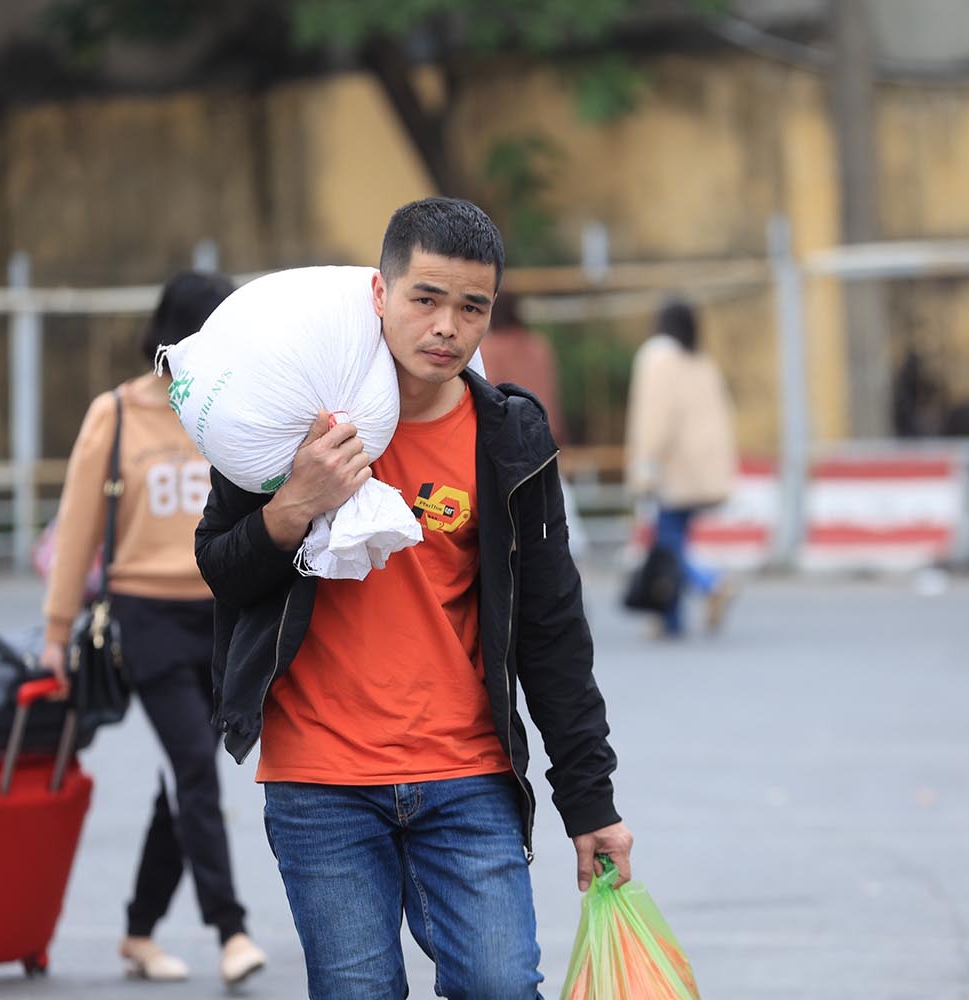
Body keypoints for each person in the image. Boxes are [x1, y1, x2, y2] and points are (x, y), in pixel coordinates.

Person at [195, 197, 631, 1000]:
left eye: (472, 307)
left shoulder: (509, 439)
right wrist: (298, 500)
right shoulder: (293, 421)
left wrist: (590, 800)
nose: (446, 327)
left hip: (466, 774)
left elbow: (552, 630)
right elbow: (222, 570)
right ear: (380, 295)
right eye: (425, 298)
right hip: (319, 778)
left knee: (502, 986)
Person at [40, 272, 267, 986]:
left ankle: (139, 931)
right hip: (145, 618)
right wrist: (56, 629)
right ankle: (231, 930)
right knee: (196, 769)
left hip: (220, 612)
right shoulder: (115, 414)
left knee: (185, 780)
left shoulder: (237, 407)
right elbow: (77, 527)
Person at [624, 299, 738, 637]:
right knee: (672, 537)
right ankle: (669, 616)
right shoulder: (700, 361)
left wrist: (647, 465)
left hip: (671, 466)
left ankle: (710, 583)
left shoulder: (657, 358)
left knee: (668, 544)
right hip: (700, 466)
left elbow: (655, 419)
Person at [479, 291, 567, 441]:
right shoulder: (538, 344)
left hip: (508, 436)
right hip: (544, 431)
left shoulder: (489, 348)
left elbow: (486, 394)